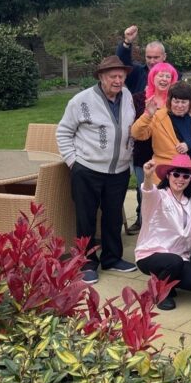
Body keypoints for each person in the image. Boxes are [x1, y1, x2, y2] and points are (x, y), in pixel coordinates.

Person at [56, 56, 137, 284]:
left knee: (113, 216)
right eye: (113, 76)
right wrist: (73, 162)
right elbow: (63, 132)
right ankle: (86, 263)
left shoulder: (127, 95)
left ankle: (112, 258)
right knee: (86, 218)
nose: (118, 81)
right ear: (101, 77)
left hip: (119, 170)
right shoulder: (81, 100)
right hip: (88, 169)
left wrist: (129, 158)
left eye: (121, 76)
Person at [135, 157, 191, 311]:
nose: (180, 179)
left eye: (186, 176)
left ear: (190, 179)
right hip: (151, 253)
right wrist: (147, 177)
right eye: (176, 174)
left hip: (179, 256)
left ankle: (166, 282)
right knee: (173, 262)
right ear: (168, 176)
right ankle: (160, 293)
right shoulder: (159, 196)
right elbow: (148, 192)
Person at [131, 82, 191, 189]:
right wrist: (147, 115)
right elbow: (136, 134)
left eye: (183, 102)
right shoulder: (158, 116)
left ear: (190, 102)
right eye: (176, 101)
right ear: (169, 100)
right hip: (166, 174)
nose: (179, 106)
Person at [127, 62, 180, 235]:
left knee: (168, 195)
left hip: (168, 154)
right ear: (152, 77)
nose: (164, 79)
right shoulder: (138, 98)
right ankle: (145, 228)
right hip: (144, 153)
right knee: (146, 193)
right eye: (160, 75)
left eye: (168, 76)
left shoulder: (176, 101)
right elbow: (133, 127)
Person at [117, 24, 169, 94]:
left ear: (164, 56)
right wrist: (127, 41)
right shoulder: (137, 73)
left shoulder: (174, 76)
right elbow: (122, 63)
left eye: (156, 57)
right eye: (149, 57)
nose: (152, 61)